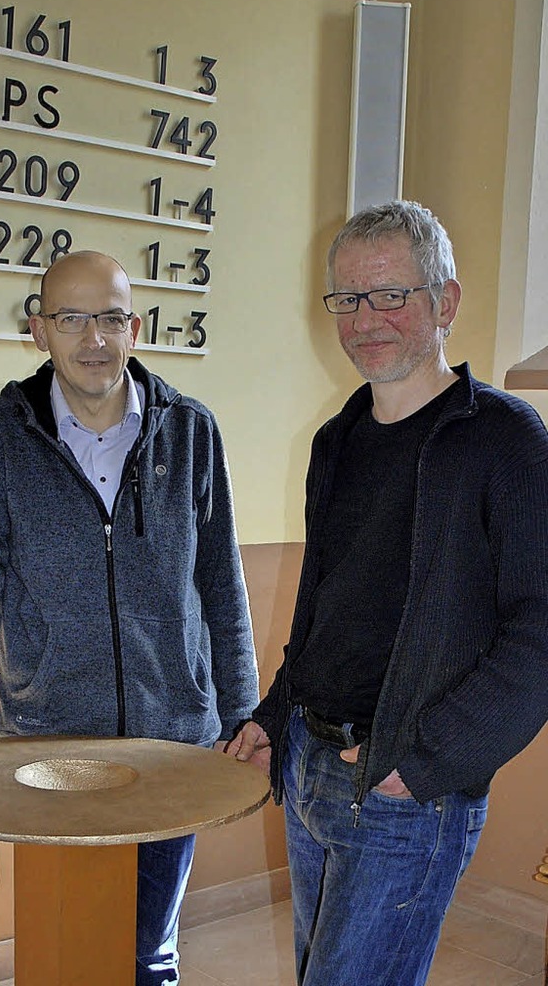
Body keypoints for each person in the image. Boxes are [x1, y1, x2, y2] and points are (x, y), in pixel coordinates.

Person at [0, 250, 259, 986]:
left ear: (135, 326)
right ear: (40, 329)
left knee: (147, 952)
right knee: (67, 945)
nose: (93, 338)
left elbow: (222, 587)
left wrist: (243, 713)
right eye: (72, 318)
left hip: (172, 747)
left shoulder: (192, 432)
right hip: (48, 751)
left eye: (109, 318)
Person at [227, 201, 548, 986]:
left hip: (406, 785)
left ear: (446, 302)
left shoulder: (505, 440)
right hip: (310, 760)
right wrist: (277, 714)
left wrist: (428, 757)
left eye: (391, 295)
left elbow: (541, 625)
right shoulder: (336, 440)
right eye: (348, 298)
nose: (366, 319)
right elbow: (323, 605)